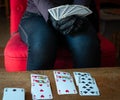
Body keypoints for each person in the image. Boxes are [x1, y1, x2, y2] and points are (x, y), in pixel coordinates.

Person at [18, 0, 101, 70]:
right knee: (42, 46)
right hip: (37, 14)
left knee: (87, 46)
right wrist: (52, 14)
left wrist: (78, 12)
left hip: (74, 14)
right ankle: (37, 88)